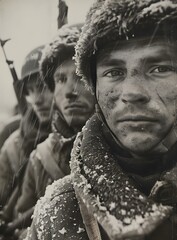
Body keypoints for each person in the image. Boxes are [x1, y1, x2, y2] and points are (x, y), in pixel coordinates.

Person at [26, 0, 177, 239]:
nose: (131, 93)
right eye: (113, 72)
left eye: (159, 68)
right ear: (95, 87)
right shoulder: (56, 211)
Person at [11, 24, 95, 237]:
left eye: (79, 76)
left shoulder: (129, 147)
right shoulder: (39, 157)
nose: (69, 92)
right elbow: (21, 227)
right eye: (60, 79)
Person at [0, 46, 53, 238]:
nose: (36, 100)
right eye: (30, 91)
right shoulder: (13, 145)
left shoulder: (82, 138)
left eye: (43, 87)